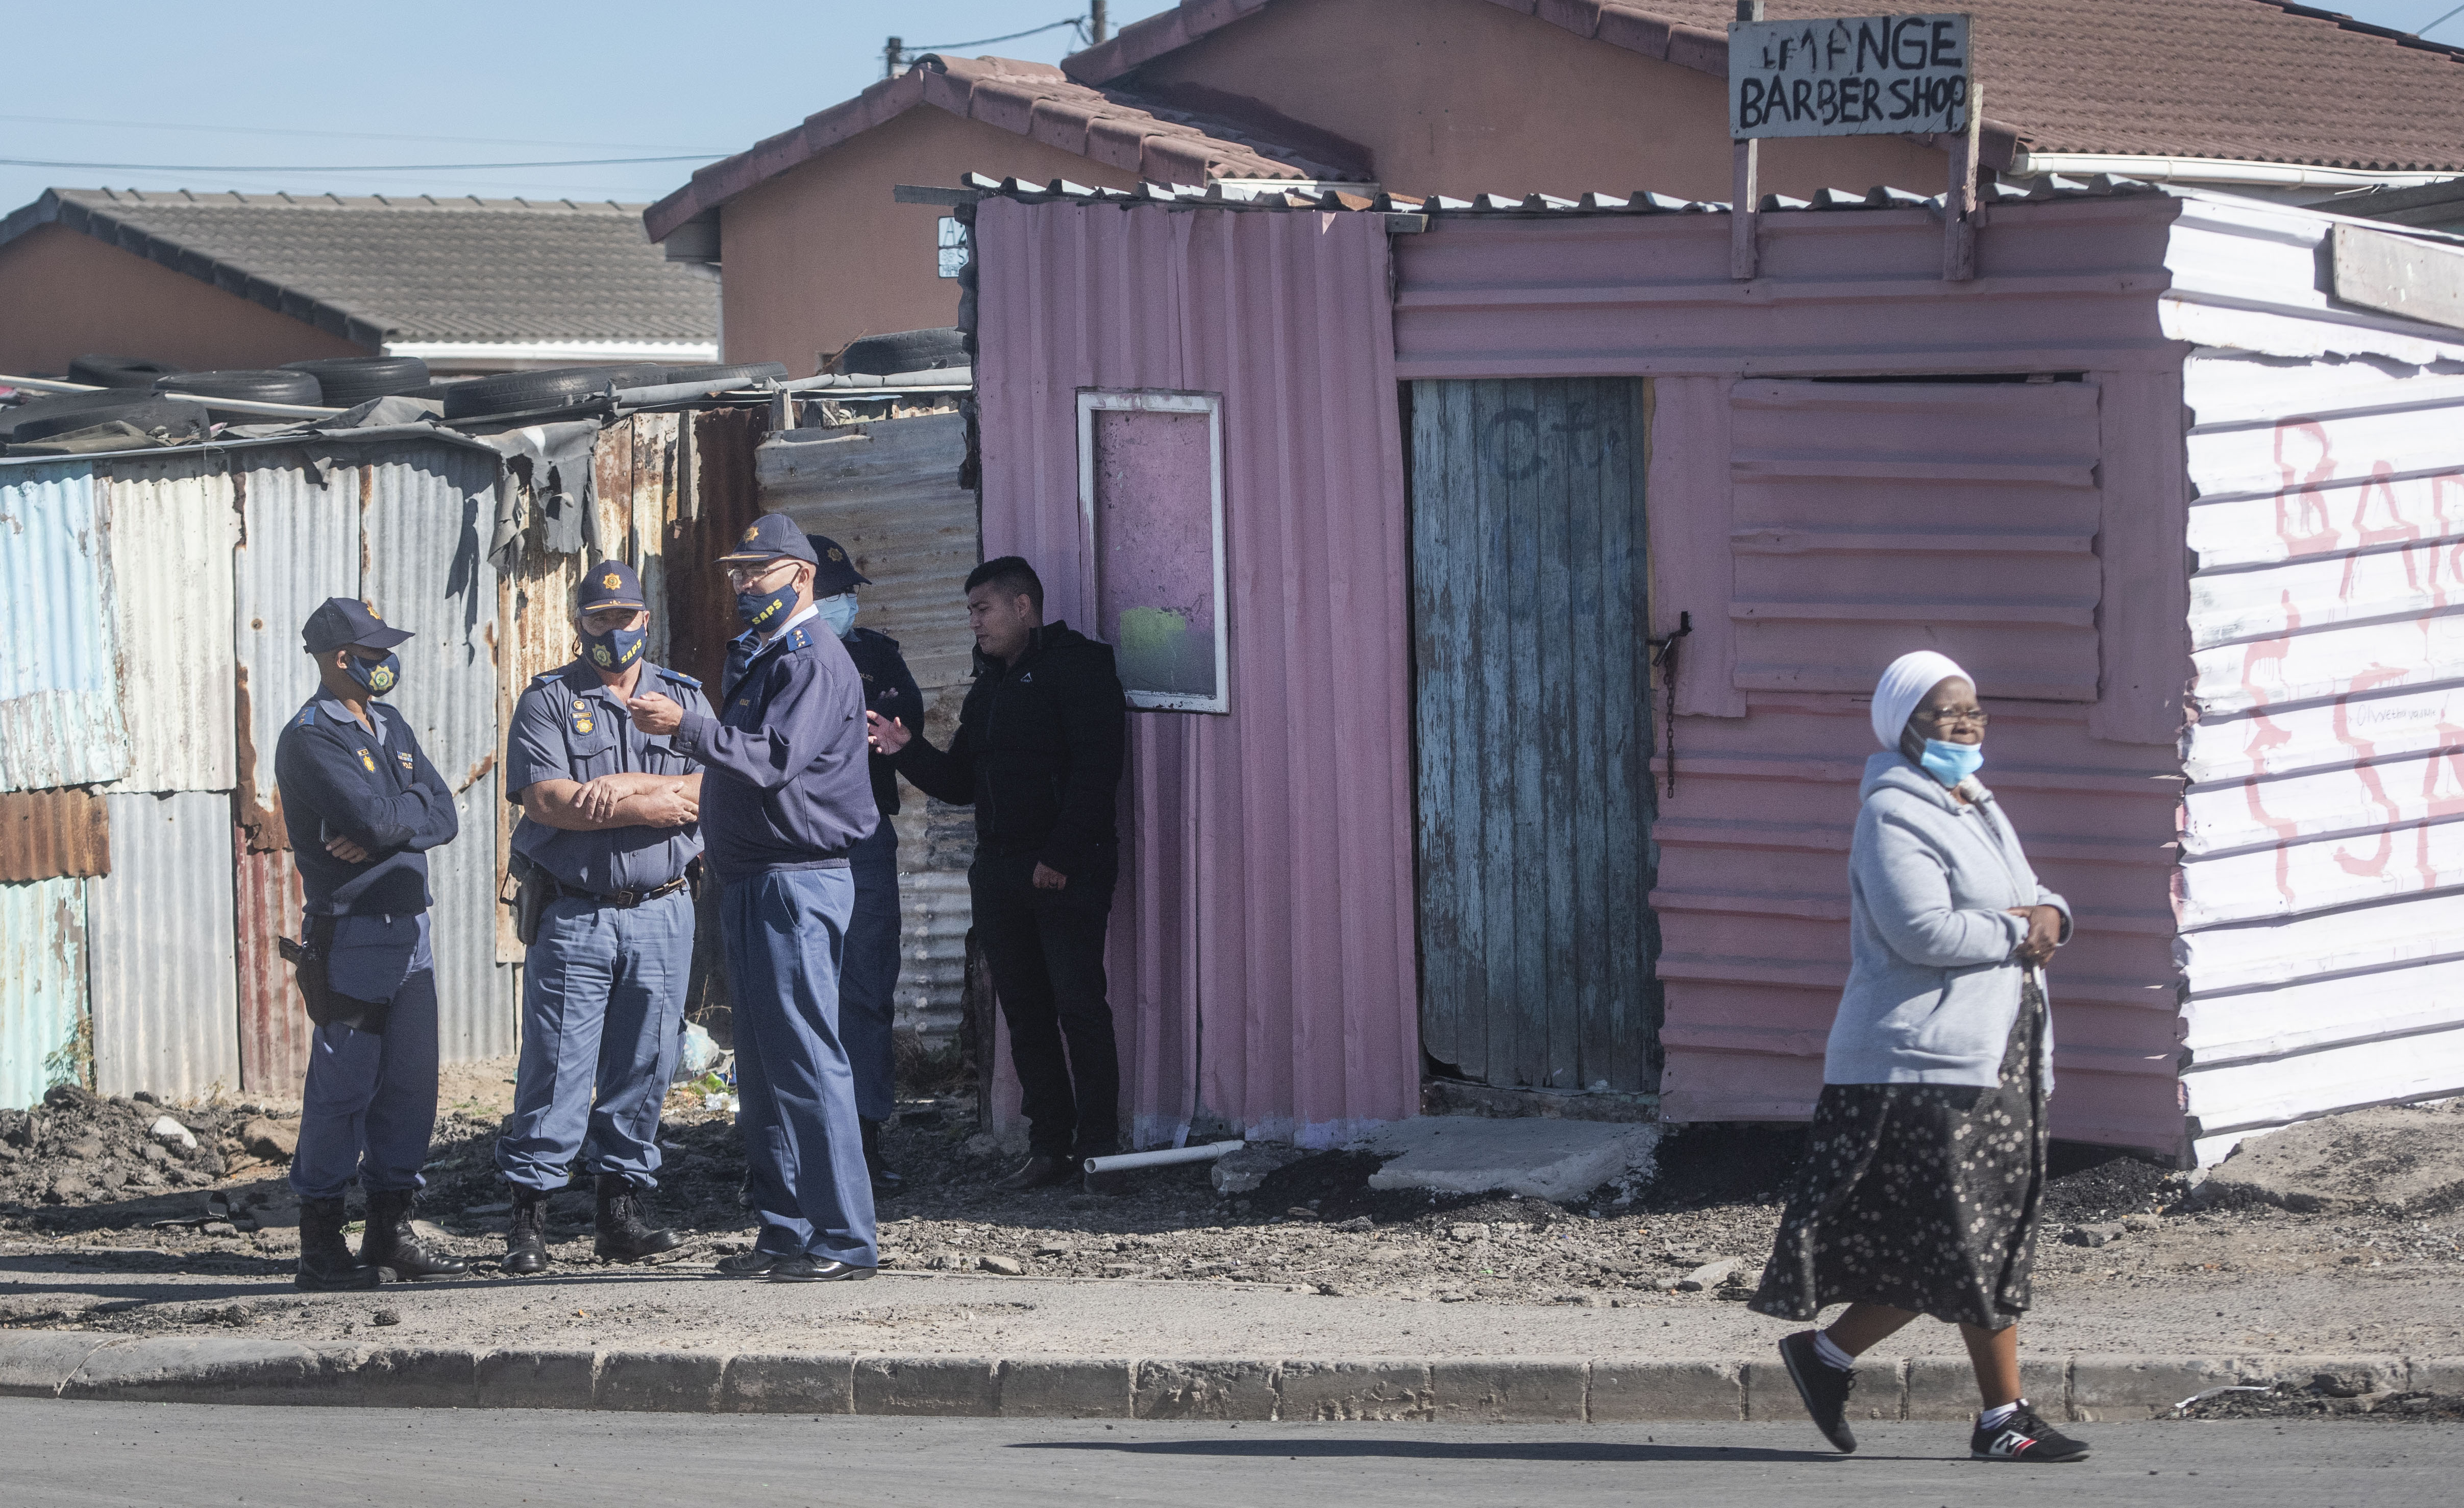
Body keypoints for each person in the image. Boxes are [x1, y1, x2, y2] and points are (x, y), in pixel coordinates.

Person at [1750, 650, 2088, 1464]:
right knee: (1972, 1235)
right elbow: (1920, 930)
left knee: (1962, 1237)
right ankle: (2002, 1415)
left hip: (1997, 1053)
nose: (1966, 723)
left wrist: (2051, 915)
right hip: (1927, 1061)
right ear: (1904, 727)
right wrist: (2019, 929)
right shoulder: (1892, 813)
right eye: (1945, 713)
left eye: (1973, 709)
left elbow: (2036, 894)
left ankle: (1827, 1356)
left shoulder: (1974, 803)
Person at [629, 513, 878, 1280]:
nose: (742, 583)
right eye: (737, 571)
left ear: (800, 575)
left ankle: (842, 1238)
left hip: (795, 882)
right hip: (756, 880)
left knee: (804, 1058)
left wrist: (687, 726)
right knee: (764, 1070)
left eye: (757, 570)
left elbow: (771, 759)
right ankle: (785, 1228)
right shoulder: (767, 652)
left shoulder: (810, 658)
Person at [867, 556, 1126, 1191]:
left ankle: (1100, 1152)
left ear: (1022, 606)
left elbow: (1099, 770)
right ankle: (1050, 1147)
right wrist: (909, 751)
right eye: (970, 612)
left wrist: (1059, 858)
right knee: (1025, 1014)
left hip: (1068, 870)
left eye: (983, 609)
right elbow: (959, 782)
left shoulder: (1080, 668)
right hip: (1001, 874)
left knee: (1079, 1007)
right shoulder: (991, 686)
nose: (974, 623)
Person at [495, 560, 710, 1272]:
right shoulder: (550, 700)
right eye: (599, 620)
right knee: (557, 1063)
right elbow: (550, 801)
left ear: (645, 620)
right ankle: (530, 1217)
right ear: (578, 623)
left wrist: (620, 792)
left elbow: (713, 785)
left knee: (647, 1061)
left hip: (664, 908)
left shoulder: (683, 699)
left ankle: (620, 1212)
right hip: (578, 914)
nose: (613, 632)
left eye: (625, 619)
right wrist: (657, 801)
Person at [274, 597, 466, 1291]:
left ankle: (389, 1227)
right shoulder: (310, 736)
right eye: (373, 653)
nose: (386, 664)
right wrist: (396, 817)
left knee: (410, 1085)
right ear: (336, 659)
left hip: (410, 928)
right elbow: (370, 817)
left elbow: (442, 811)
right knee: (343, 1087)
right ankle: (321, 1242)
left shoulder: (388, 722)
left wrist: (397, 818)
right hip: (353, 932)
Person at [805, 533, 923, 1200]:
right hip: (796, 841)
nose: (844, 604)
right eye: (832, 594)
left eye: (848, 595)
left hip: (865, 837)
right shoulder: (773, 657)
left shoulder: (876, 654)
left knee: (868, 989)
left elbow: (902, 720)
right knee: (797, 994)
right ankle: (796, 1146)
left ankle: (867, 1139)